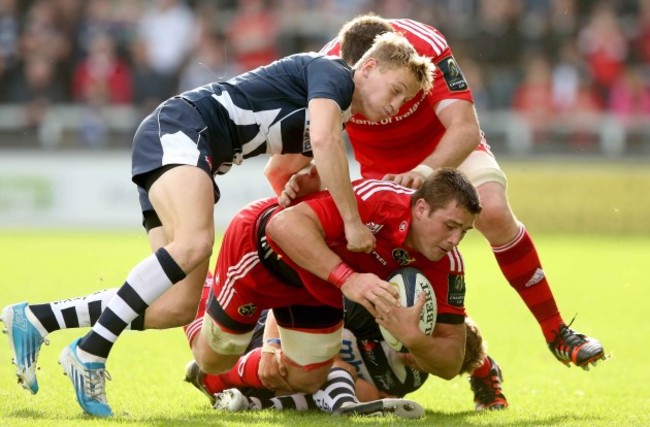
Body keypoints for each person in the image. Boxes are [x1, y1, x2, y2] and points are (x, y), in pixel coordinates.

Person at [0, 32, 434, 418]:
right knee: (195, 243)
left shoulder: (332, 112)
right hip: (184, 129)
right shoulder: (334, 75)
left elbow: (282, 169)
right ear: (370, 67)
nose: (395, 105)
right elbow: (322, 141)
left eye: (404, 101)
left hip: (185, 145)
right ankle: (92, 351)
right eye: (395, 90)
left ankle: (37, 318)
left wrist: (304, 181)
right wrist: (352, 224)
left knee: (178, 305)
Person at [270, 15, 606, 386]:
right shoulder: (327, 68)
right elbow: (283, 166)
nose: (396, 104)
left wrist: (427, 170)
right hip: (381, 176)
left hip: (445, 151)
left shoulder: (424, 44)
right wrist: (300, 187)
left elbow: (465, 127)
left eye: (403, 91)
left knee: (492, 211)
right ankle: (477, 363)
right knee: (398, 278)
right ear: (364, 67)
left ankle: (556, 331)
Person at [188, 168, 482, 405]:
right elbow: (282, 225)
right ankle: (191, 278)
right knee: (213, 356)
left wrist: (413, 337)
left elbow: (450, 362)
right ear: (420, 209)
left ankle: (218, 379)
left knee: (307, 379)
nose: (455, 240)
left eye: (464, 231)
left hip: (317, 285)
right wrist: (349, 279)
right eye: (450, 225)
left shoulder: (449, 264)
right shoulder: (378, 201)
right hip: (264, 253)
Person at [182, 281, 490, 418]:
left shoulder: (409, 379)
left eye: (428, 366)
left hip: (298, 378)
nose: (416, 360)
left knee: (324, 377)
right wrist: (272, 346)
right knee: (188, 289)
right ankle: (213, 375)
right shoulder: (377, 307)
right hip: (268, 329)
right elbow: (291, 299)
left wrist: (343, 379)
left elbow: (367, 393)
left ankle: (251, 404)